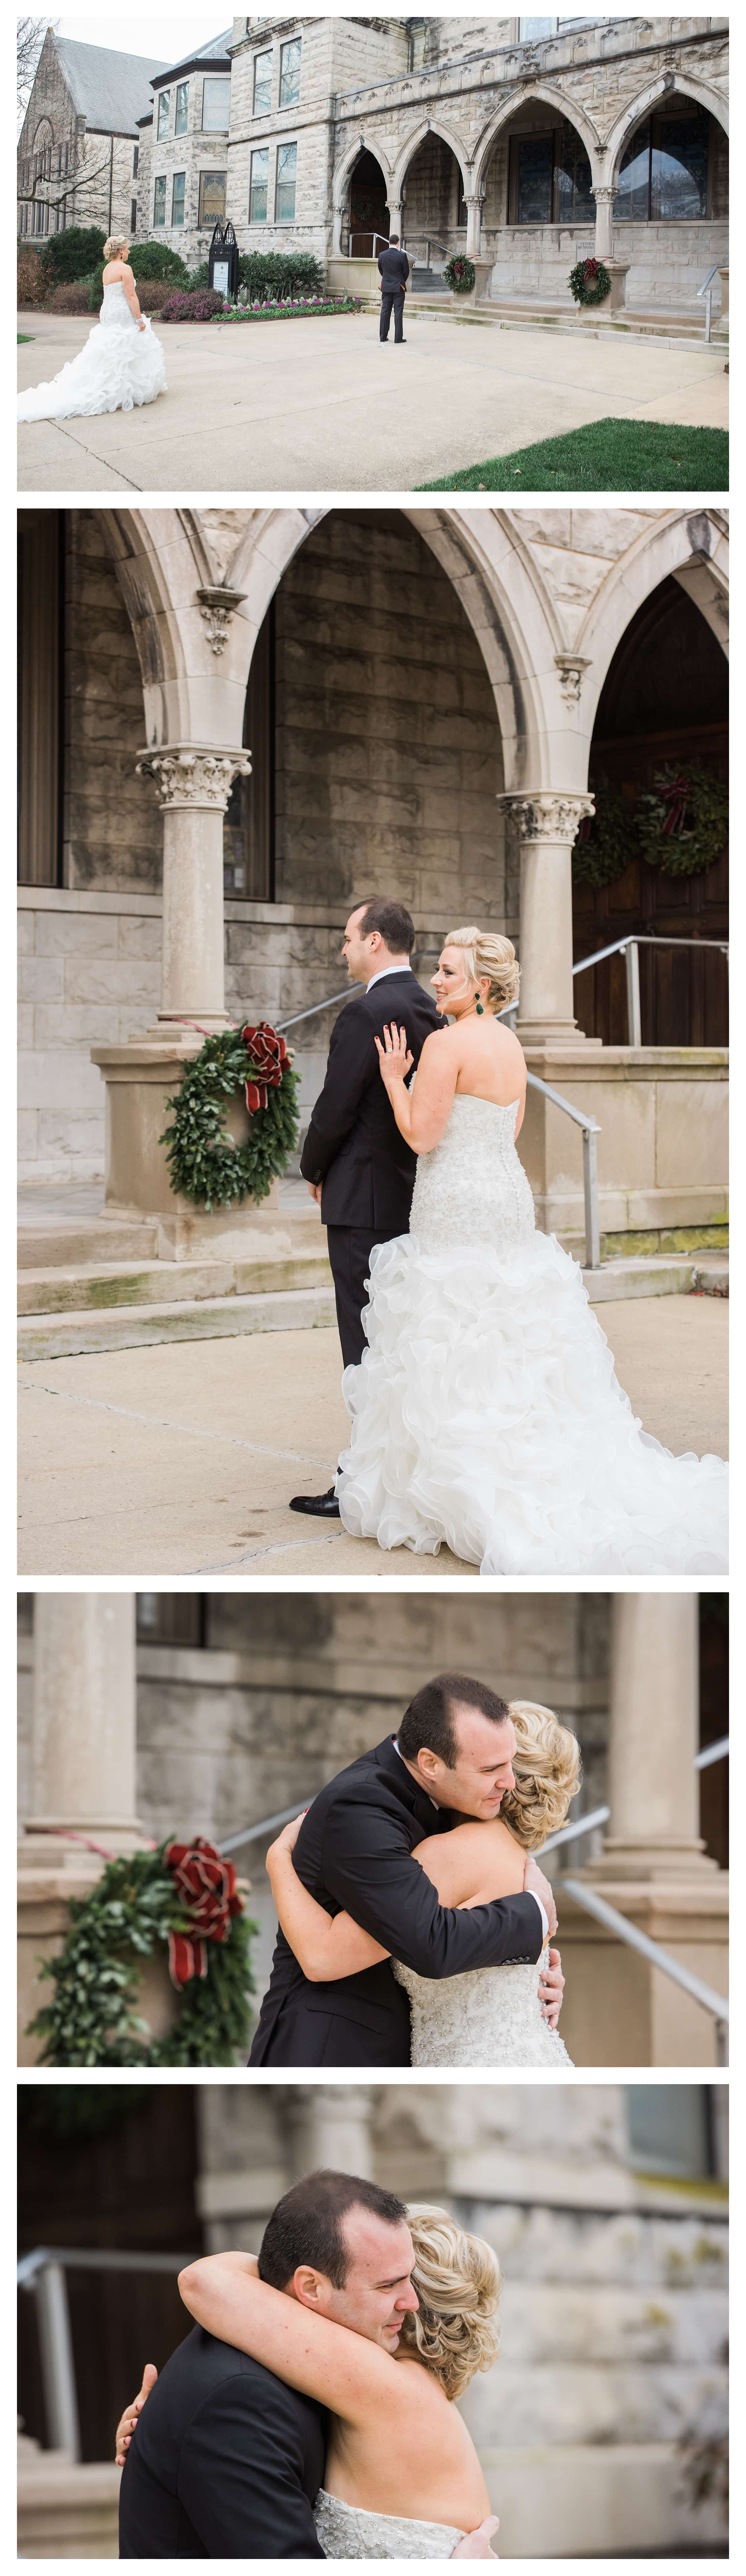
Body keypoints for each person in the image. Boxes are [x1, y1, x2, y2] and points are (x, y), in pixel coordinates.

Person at [335, 925, 728, 1574]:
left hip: (456, 1202)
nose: (437, 980)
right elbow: (508, 1128)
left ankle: (463, 1481)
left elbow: (421, 1137)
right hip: (507, 1197)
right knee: (510, 1334)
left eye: (450, 973)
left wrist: (394, 1077)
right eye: (439, 969)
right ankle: (534, 1454)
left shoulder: (444, 1044)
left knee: (453, 1332)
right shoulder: (510, 1045)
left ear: (482, 985)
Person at [116, 2170, 501, 2559]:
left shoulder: (386, 2391)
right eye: (387, 2284)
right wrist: (164, 2434)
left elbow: (207, 2280)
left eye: (407, 2281)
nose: (409, 2302)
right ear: (312, 2286)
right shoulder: (265, 2393)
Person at [248, 1674, 564, 2069]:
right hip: (331, 2047)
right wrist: (532, 1918)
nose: (509, 1782)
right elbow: (427, 1942)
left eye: (510, 1764)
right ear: (430, 1763)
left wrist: (527, 1976)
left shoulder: (457, 1819)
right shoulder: (362, 1806)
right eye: (491, 1769)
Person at [290, 898, 440, 1519]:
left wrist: (311, 1167)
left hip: (360, 1198)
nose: (343, 948)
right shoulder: (431, 1009)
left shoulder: (366, 1013)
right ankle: (404, 1467)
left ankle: (362, 1477)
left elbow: (336, 1108)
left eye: (348, 937)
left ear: (376, 941)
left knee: (364, 1341)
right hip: (413, 1196)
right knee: (400, 1337)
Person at [17, 235, 166, 423]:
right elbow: (131, 297)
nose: (129, 252)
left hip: (107, 312)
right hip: (121, 312)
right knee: (127, 346)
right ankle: (123, 389)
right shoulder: (125, 269)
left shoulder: (107, 269)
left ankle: (114, 384)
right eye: (127, 249)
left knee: (111, 348)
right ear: (121, 251)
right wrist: (139, 320)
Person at [378, 233, 410, 343]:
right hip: (398, 288)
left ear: (389, 243)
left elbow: (381, 270)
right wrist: (401, 281)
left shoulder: (382, 255)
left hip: (386, 287)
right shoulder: (402, 256)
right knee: (398, 312)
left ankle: (383, 337)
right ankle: (398, 338)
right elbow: (406, 272)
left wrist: (387, 279)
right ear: (398, 243)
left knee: (385, 311)